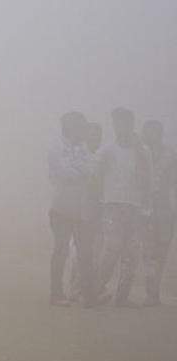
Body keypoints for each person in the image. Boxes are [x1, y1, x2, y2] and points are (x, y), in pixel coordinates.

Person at [95, 108, 153, 307]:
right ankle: (96, 289)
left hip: (135, 206)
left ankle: (122, 296)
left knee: (131, 251)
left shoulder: (142, 152)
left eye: (124, 123)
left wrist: (146, 206)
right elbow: (96, 176)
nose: (121, 127)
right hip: (112, 204)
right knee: (111, 248)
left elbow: (148, 179)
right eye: (117, 123)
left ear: (131, 124)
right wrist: (99, 200)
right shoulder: (107, 150)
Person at [47, 111, 95, 306]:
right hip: (62, 206)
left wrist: (79, 172)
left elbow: (91, 171)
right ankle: (56, 293)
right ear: (71, 127)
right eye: (81, 126)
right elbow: (63, 173)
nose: (85, 130)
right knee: (61, 249)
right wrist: (81, 171)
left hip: (82, 207)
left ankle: (87, 294)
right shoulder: (56, 148)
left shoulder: (84, 148)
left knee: (85, 251)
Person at [69, 121, 105, 301]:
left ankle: (89, 290)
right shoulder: (78, 156)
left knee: (95, 251)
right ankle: (76, 289)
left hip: (97, 211)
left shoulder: (102, 156)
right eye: (92, 135)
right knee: (79, 252)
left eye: (98, 135)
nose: (95, 138)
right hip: (79, 210)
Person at [142, 120, 176, 305]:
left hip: (165, 209)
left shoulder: (171, 155)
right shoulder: (138, 154)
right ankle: (150, 292)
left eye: (153, 132)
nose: (148, 136)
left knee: (161, 250)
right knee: (148, 251)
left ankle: (154, 291)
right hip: (145, 209)